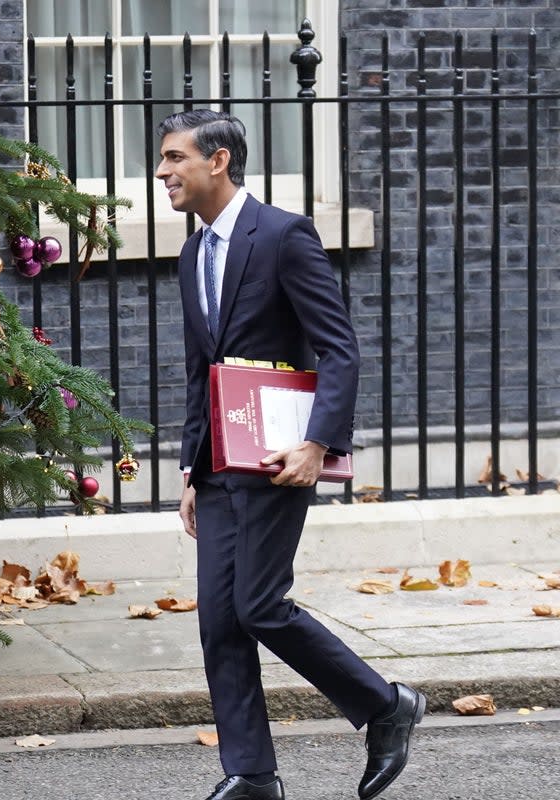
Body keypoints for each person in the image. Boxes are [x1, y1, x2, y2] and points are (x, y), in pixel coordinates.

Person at [155, 109, 426, 800]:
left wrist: (318, 443)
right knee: (219, 619)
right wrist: (192, 467)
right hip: (219, 464)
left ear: (218, 161)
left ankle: (384, 705)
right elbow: (201, 370)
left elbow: (339, 348)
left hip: (281, 455)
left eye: (174, 158)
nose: (163, 173)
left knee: (259, 605)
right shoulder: (192, 255)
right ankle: (249, 774)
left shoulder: (282, 236)